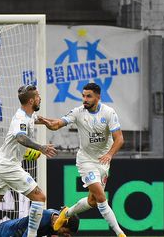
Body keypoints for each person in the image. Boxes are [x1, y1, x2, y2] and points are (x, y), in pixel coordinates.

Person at [0, 85, 57, 237]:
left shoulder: (29, 115)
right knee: (40, 197)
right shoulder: (20, 118)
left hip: (2, 160)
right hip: (8, 165)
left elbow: (37, 119)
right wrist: (41, 147)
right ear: (32, 100)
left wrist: (57, 122)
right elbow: (20, 137)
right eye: (38, 96)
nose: (40, 98)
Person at [38, 83, 126, 237]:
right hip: (86, 160)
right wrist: (46, 123)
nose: (85, 99)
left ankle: (66, 213)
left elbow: (119, 139)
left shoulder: (109, 113)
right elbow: (58, 123)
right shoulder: (78, 112)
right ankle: (120, 233)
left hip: (103, 161)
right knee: (101, 197)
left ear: (98, 97)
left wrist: (110, 154)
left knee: (92, 202)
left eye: (89, 96)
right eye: (83, 96)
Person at [0, 208, 79, 237]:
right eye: (66, 232)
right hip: (7, 232)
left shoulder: (56, 219)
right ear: (63, 223)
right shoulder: (42, 217)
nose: (66, 235)